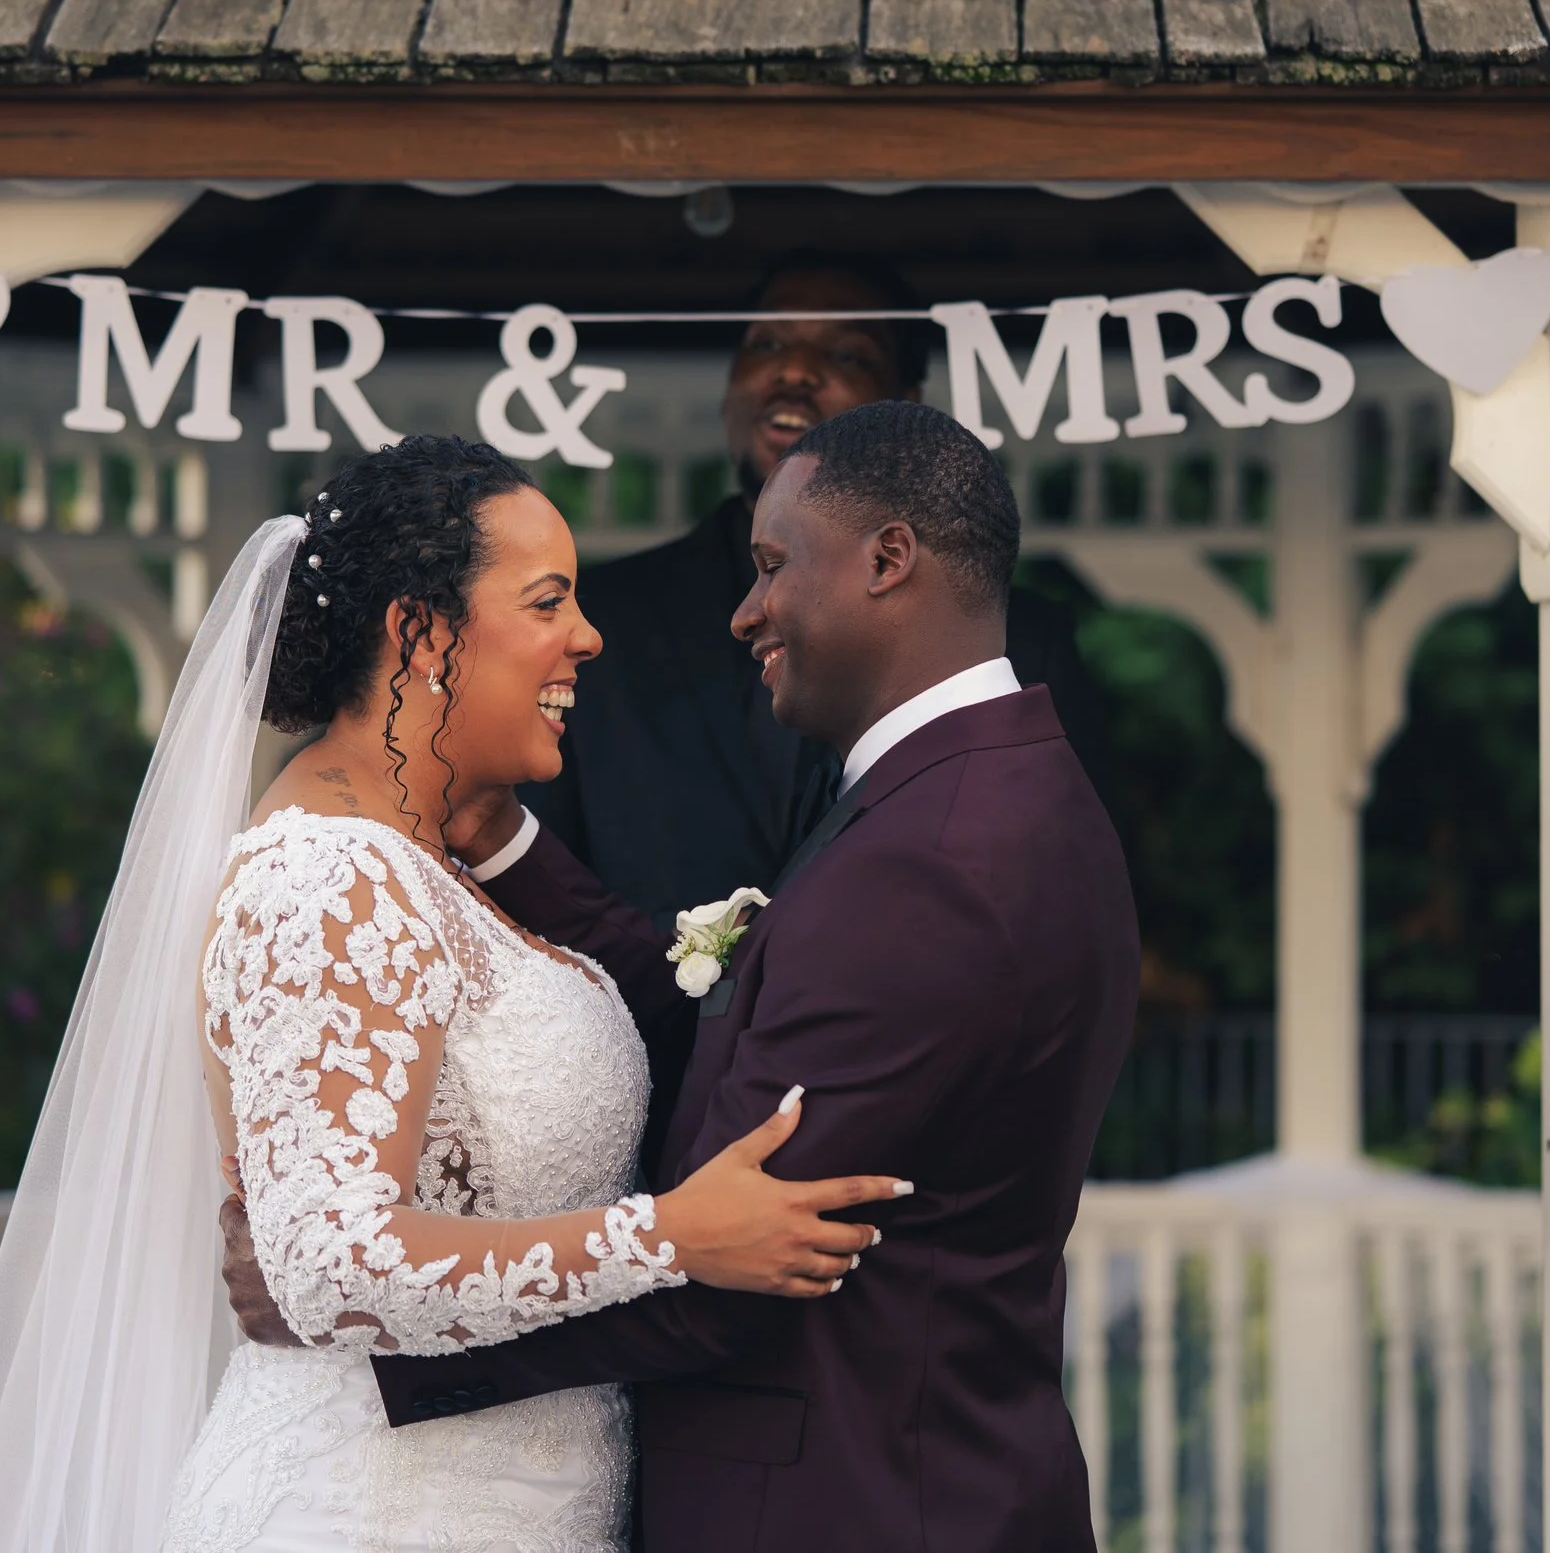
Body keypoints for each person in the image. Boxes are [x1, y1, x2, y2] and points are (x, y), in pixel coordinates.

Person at [0, 436, 904, 1553]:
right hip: (375, 1512)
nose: (587, 635)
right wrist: (670, 1236)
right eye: (545, 602)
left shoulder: (427, 867)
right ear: (419, 632)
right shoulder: (326, 877)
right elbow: (332, 1266)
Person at [337, 403, 1143, 1550]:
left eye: (771, 566)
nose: (744, 610)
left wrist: (384, 1341)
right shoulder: (990, 795)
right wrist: (511, 844)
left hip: (849, 1507)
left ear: (887, 558)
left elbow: (737, 1264)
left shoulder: (934, 858)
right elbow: (735, 1021)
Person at [523, 254, 1110, 939]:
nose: (795, 370)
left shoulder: (1018, 638)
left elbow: (1068, 902)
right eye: (767, 343)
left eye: (847, 353)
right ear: (727, 389)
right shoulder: (599, 620)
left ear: (906, 407)